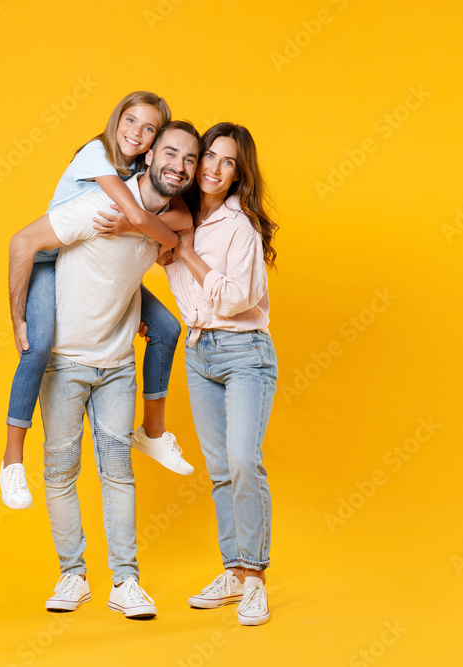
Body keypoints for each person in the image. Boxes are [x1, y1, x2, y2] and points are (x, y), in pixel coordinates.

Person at [7, 121, 201, 618]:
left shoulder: (174, 217)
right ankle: (72, 576)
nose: (179, 166)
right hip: (65, 364)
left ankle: (126, 582)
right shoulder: (100, 204)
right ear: (150, 154)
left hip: (117, 366)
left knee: (118, 473)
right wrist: (20, 318)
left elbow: (177, 229)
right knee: (60, 472)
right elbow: (23, 242)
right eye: (170, 153)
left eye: (189, 159)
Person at [0, 92, 196, 511]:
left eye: (148, 130)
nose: (136, 134)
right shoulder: (97, 155)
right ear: (115, 120)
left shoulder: (137, 171)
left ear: (154, 144)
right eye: (130, 121)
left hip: (92, 262)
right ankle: (12, 458)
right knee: (37, 344)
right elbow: (143, 220)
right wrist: (17, 318)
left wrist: (145, 230)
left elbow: (172, 219)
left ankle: (153, 432)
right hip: (50, 261)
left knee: (166, 329)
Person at [161, 122, 279, 626]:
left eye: (228, 162)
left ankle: (255, 579)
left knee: (242, 461)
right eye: (209, 156)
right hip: (199, 353)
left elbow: (237, 299)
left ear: (238, 174)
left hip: (246, 352)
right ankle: (232, 571)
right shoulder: (176, 216)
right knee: (217, 470)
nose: (213, 169)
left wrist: (186, 253)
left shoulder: (240, 228)